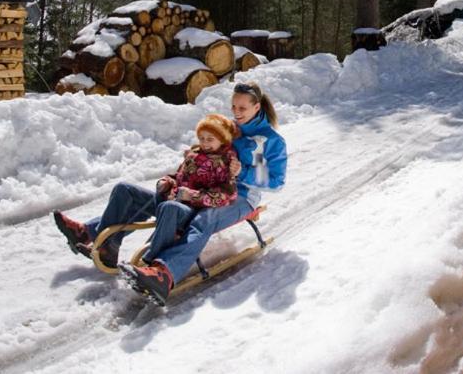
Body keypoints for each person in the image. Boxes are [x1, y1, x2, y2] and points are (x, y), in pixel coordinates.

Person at [119, 81, 287, 305]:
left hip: (242, 197)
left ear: (257, 107)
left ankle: (164, 274)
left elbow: (275, 182)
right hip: (207, 188)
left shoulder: (268, 140)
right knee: (164, 199)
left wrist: (244, 172)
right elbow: (210, 147)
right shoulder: (231, 129)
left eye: (243, 108)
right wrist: (197, 155)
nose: (237, 113)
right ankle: (99, 237)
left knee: (204, 218)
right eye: (234, 107)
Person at [53, 113, 240, 268]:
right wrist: (166, 181)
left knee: (162, 207)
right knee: (123, 189)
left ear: (222, 140)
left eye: (210, 139)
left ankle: (89, 235)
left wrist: (194, 196)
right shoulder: (195, 154)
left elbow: (227, 195)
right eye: (202, 138)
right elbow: (178, 177)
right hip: (170, 200)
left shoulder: (225, 163)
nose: (205, 143)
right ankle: (107, 246)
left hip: (188, 212)